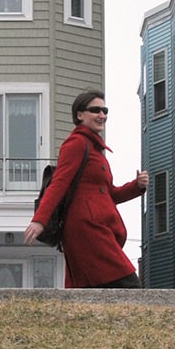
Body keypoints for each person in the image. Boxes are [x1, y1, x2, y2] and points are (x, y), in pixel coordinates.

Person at [26, 91, 149, 288]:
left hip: (98, 226)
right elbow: (59, 184)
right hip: (86, 228)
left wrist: (136, 186)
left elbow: (109, 195)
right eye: (95, 110)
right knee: (128, 284)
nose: (102, 115)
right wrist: (39, 220)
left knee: (95, 288)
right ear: (79, 115)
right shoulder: (76, 144)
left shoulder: (95, 149)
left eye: (104, 110)